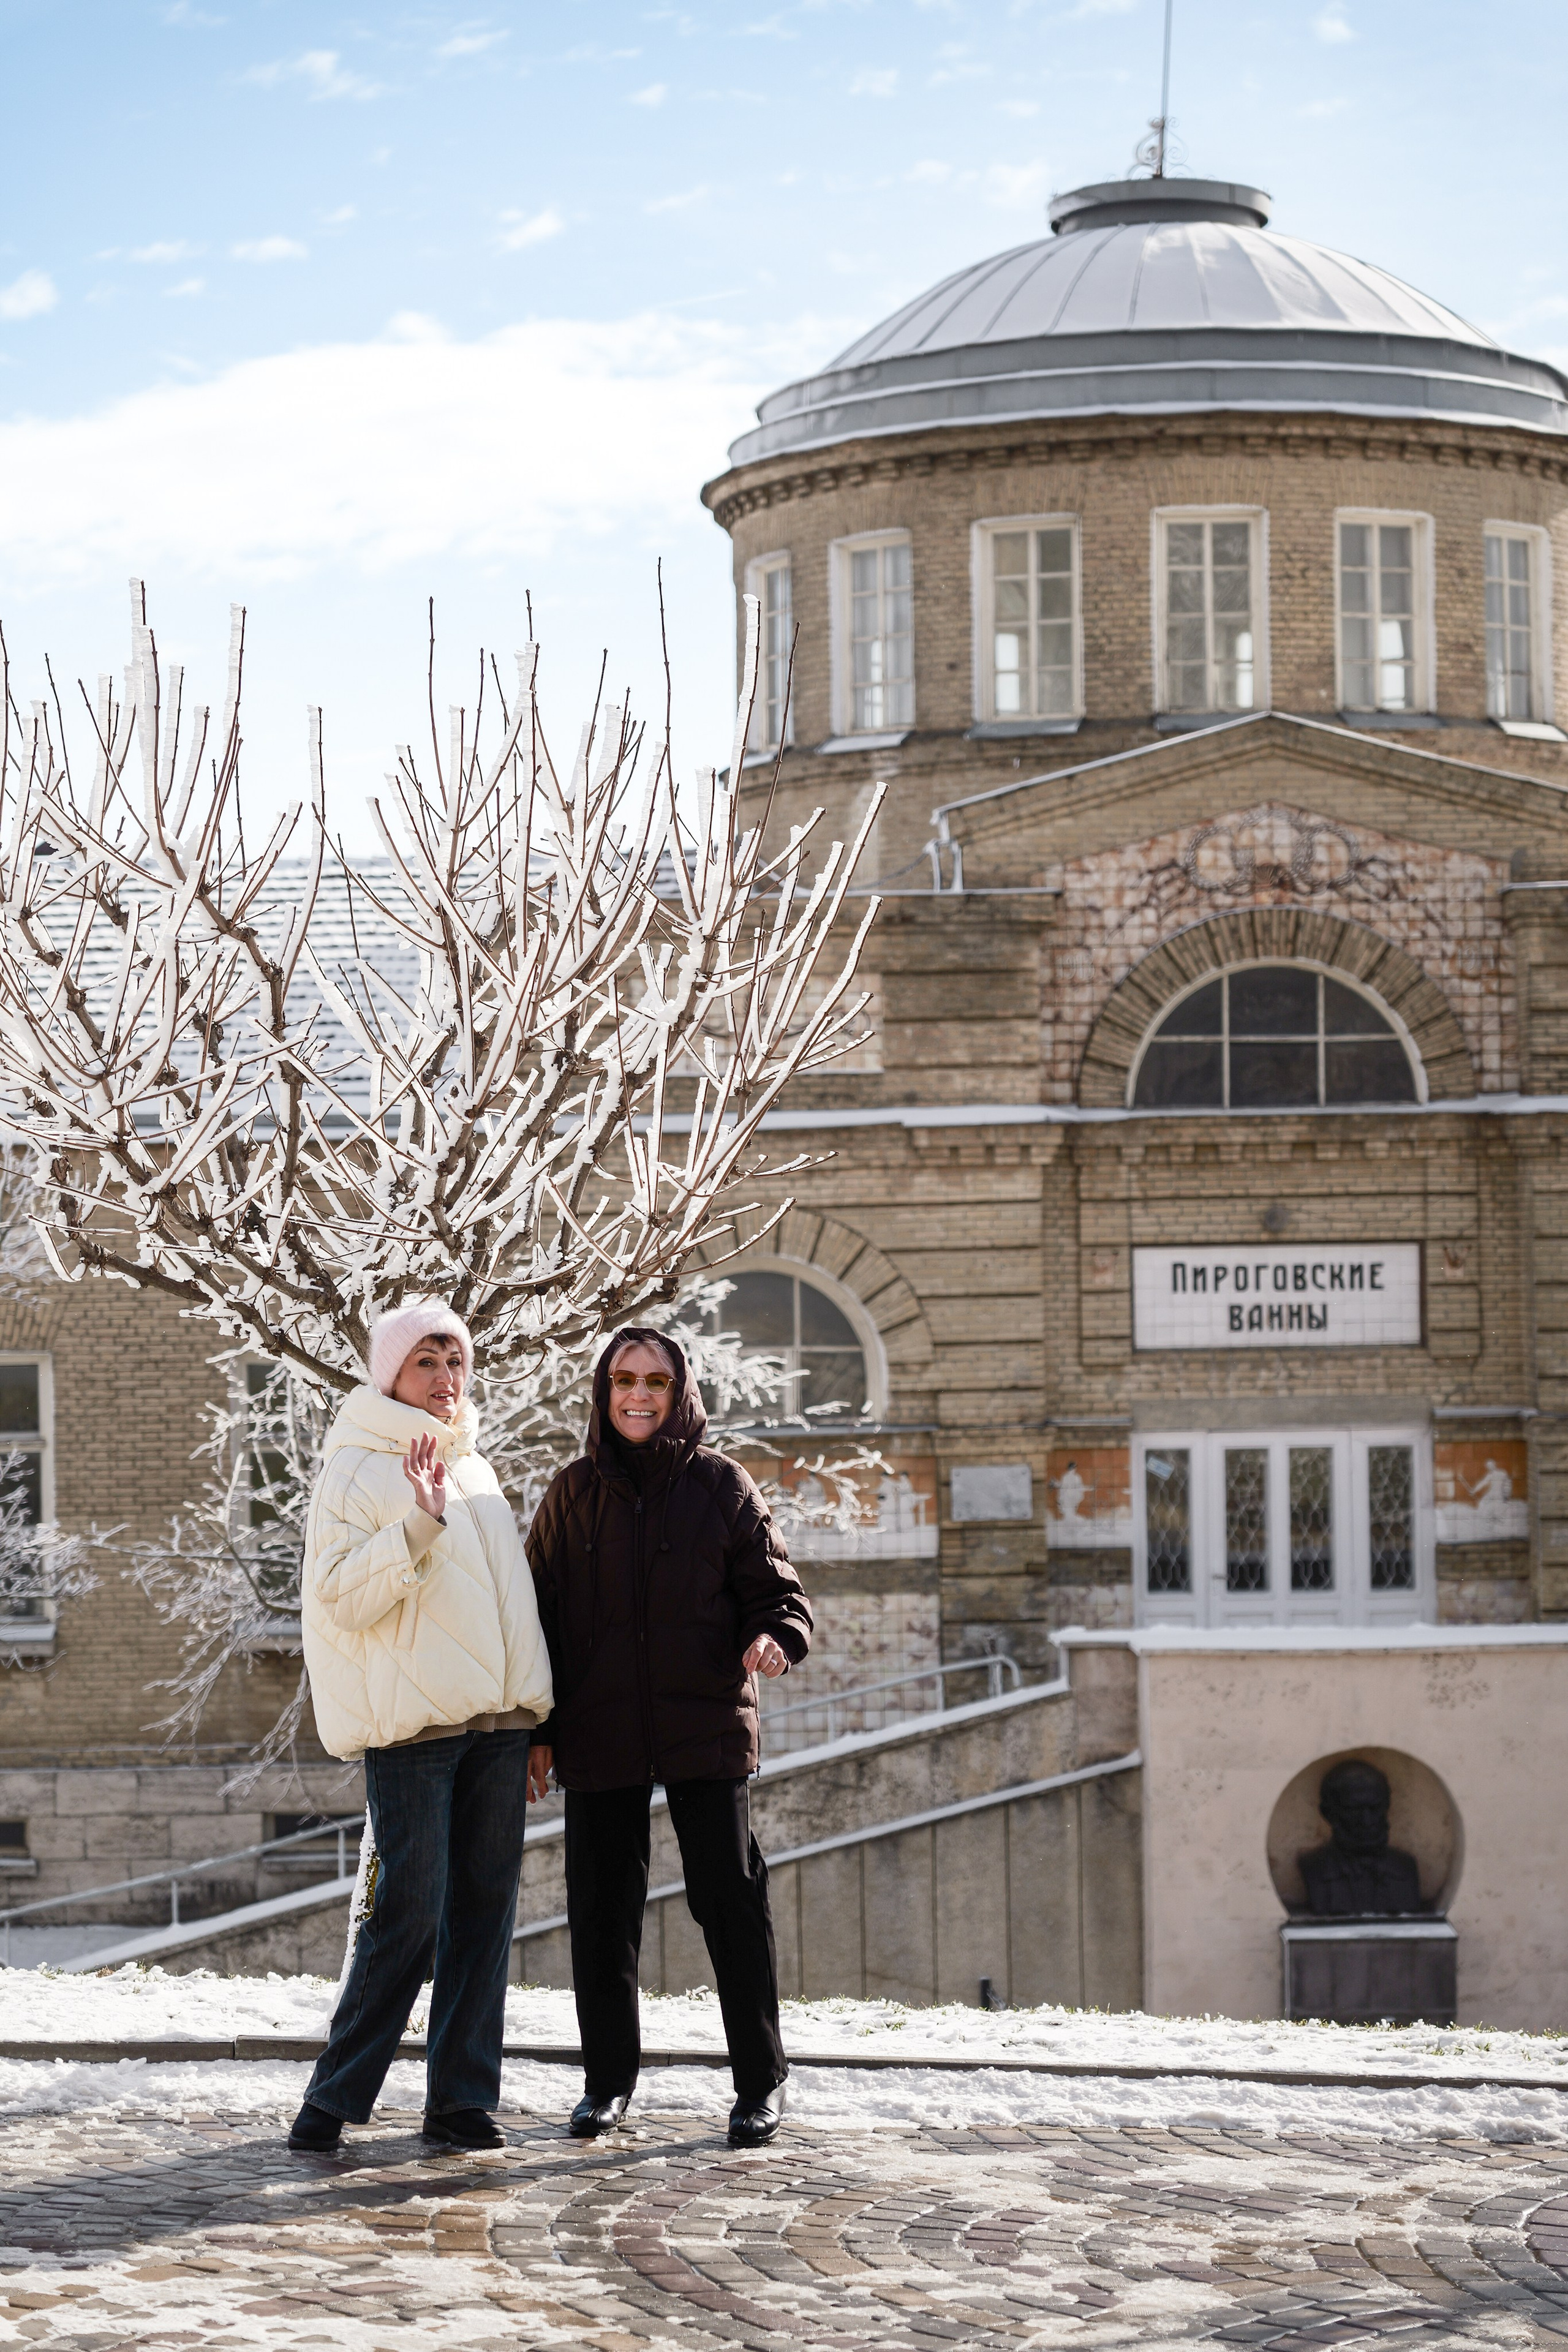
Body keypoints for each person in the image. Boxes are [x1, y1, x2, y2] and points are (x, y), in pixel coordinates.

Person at [526, 1326, 812, 2148]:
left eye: (655, 1380)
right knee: (601, 1913)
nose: (639, 1395)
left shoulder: (722, 1486)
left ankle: (761, 2081)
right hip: (600, 1731)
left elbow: (779, 1596)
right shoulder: (571, 1494)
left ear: (679, 1391)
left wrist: (775, 1641)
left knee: (729, 1903)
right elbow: (536, 1624)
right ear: (604, 1391)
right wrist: (540, 1730)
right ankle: (607, 2083)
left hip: (705, 1728)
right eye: (624, 1379)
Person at [288, 1301, 553, 2154]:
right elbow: (339, 1596)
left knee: (484, 1915)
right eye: (426, 1362)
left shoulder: (474, 1467)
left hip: (498, 1728)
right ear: (390, 1376)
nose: (445, 1378)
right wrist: (418, 1521)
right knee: (405, 1911)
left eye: (455, 1361)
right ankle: (332, 2098)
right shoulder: (358, 1467)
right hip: (415, 1732)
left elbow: (508, 1610)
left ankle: (461, 2103)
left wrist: (534, 1715)